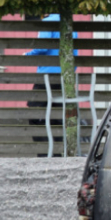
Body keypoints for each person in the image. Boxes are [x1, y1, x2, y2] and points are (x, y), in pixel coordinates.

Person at [24, 14, 77, 144]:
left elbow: (42, 47)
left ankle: (45, 153)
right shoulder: (69, 23)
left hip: (47, 76)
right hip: (65, 77)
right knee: (59, 117)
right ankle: (59, 155)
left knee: (35, 114)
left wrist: (27, 55)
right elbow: (74, 52)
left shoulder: (48, 22)